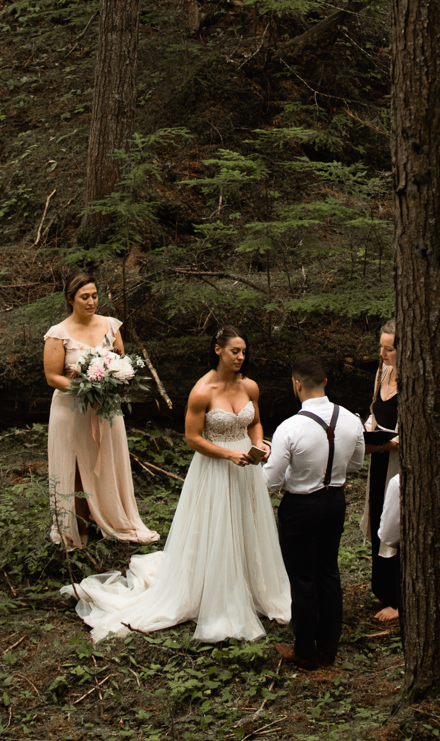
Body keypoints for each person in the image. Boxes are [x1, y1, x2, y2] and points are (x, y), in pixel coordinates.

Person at [64, 327, 291, 642]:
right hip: (215, 468)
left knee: (248, 525)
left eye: (243, 352)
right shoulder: (203, 390)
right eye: (234, 351)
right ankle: (217, 593)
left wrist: (259, 445)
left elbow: (254, 423)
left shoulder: (250, 386)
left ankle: (254, 587)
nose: (240, 357)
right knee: (218, 528)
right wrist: (227, 453)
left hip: (246, 468)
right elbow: (193, 438)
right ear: (217, 350)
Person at [262, 354, 364, 671]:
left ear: (297, 385)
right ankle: (328, 648)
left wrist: (268, 456)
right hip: (335, 502)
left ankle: (305, 651)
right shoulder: (351, 419)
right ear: (325, 383)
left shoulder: (289, 428)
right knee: (328, 574)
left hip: (300, 508)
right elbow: (357, 464)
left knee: (303, 579)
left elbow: (272, 479)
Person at [43, 271, 159, 549]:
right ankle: (79, 528)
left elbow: (121, 360)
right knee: (77, 467)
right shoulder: (58, 333)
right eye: (85, 297)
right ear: (71, 299)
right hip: (70, 409)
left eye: (95, 296)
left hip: (105, 408)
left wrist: (114, 378)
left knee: (107, 461)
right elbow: (52, 377)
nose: (92, 301)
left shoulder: (110, 325)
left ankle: (108, 516)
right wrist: (82, 386)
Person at [362, 320, 401, 622]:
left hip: (398, 463)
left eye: (389, 348)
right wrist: (366, 431)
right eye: (381, 347)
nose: (383, 353)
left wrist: (389, 443)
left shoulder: (413, 382)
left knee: (394, 520)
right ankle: (383, 588)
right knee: (377, 515)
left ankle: (399, 598)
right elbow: (375, 412)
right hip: (378, 456)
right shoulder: (382, 373)